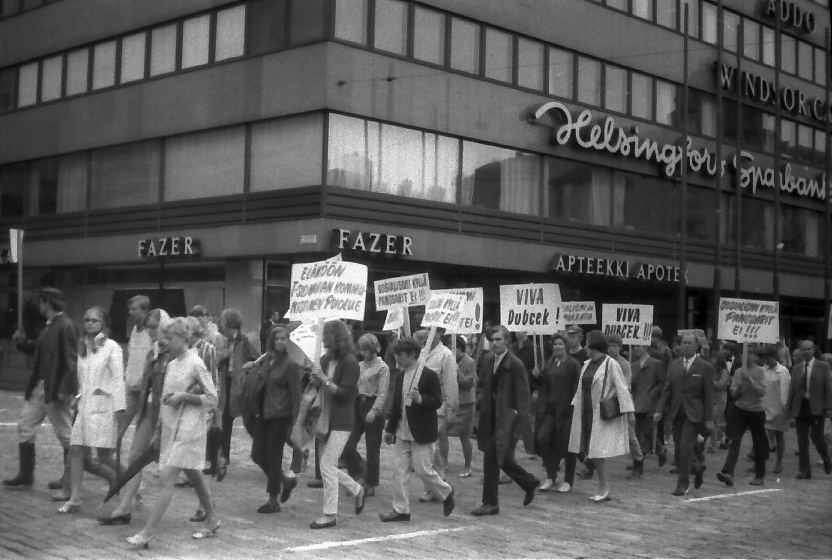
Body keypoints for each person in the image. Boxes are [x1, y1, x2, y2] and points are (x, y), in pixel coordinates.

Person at [126, 317, 220, 549]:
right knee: (193, 473)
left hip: (191, 428)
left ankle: (147, 533)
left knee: (167, 477)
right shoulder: (170, 364)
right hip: (172, 427)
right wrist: (159, 429)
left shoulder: (196, 362)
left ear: (184, 338)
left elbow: (212, 398)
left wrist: (184, 397)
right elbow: (164, 399)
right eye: (165, 337)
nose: (165, 342)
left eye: (170, 338)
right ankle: (213, 518)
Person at [98, 309, 170, 526]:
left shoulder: (174, 352)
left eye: (154, 327)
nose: (150, 331)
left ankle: (207, 506)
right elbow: (145, 385)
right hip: (148, 410)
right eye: (148, 327)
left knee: (182, 468)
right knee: (135, 459)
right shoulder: (153, 352)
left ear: (165, 326)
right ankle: (123, 508)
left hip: (169, 415)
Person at [3, 288, 78, 493]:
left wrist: (66, 389)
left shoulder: (65, 326)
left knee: (66, 435)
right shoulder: (51, 326)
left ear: (48, 303)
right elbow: (40, 352)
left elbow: (71, 360)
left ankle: (69, 477)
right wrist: (23, 343)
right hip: (40, 385)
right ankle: (26, 475)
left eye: (41, 302)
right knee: (25, 425)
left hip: (54, 388)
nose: (39, 305)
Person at [58, 306, 126, 513]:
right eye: (87, 319)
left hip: (104, 407)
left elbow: (117, 379)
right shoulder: (82, 347)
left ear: (104, 324)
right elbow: (81, 378)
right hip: (84, 406)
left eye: (95, 320)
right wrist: (76, 396)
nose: (89, 323)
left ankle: (134, 483)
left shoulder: (112, 347)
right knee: (76, 450)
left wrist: (120, 408)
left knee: (105, 456)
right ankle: (75, 498)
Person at [379, 338, 455, 522]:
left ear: (411, 355)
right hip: (401, 431)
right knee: (399, 472)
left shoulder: (427, 374)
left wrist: (421, 399)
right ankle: (401, 509)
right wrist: (390, 429)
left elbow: (437, 401)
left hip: (421, 431)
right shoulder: (400, 375)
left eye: (400, 355)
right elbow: (397, 405)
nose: (396, 358)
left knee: (423, 470)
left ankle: (446, 492)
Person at [471, 325, 539, 516]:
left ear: (507, 341)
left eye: (498, 339)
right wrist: (481, 399)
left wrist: (518, 422)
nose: (494, 343)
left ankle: (490, 502)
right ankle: (529, 481)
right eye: (492, 340)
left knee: (491, 458)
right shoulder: (487, 359)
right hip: (489, 416)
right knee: (504, 459)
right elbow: (483, 385)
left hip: (507, 419)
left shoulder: (515, 364)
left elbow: (523, 397)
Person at [308, 320, 365, 529]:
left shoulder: (350, 362)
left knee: (326, 465)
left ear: (335, 338)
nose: (322, 340)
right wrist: (314, 379)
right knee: (327, 466)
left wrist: (325, 381)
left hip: (341, 420)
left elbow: (346, 394)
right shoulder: (325, 359)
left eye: (326, 336)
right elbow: (318, 385)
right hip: (324, 418)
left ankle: (330, 514)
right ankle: (357, 489)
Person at [566, 331, 634, 502]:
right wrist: (574, 406)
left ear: (594, 346)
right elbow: (581, 388)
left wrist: (629, 412)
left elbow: (622, 387)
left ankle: (603, 487)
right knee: (591, 450)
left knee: (598, 451)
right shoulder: (587, 364)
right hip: (585, 412)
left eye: (588, 343)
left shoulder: (611, 364)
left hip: (600, 414)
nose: (586, 347)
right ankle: (602, 486)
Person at [246, 325, 302, 513]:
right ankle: (285, 481)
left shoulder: (291, 365)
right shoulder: (267, 360)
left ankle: (273, 500)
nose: (280, 341)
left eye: (284, 339)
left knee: (273, 457)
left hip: (280, 416)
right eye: (277, 338)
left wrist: (294, 424)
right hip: (262, 414)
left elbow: (296, 397)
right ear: (271, 340)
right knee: (257, 454)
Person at [655, 332, 714, 497]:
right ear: (679, 346)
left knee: (686, 447)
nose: (686, 345)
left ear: (696, 346)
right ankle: (697, 467)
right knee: (680, 448)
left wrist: (709, 418)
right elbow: (667, 390)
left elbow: (709, 394)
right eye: (684, 343)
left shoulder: (705, 367)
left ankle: (682, 484)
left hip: (694, 414)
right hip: (676, 412)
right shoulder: (674, 366)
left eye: (690, 343)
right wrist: (660, 410)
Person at [341, 333, 390, 497]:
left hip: (372, 404)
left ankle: (371, 482)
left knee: (372, 449)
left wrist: (375, 410)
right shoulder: (359, 365)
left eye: (366, 349)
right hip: (356, 404)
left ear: (374, 349)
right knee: (347, 445)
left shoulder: (382, 367)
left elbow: (383, 393)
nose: (363, 353)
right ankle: (358, 471)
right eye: (362, 349)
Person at [533, 333, 581, 492]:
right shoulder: (550, 362)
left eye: (560, 344)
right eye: (555, 344)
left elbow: (577, 389)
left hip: (567, 411)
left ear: (565, 345)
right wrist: (537, 376)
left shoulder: (573, 365)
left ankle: (568, 480)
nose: (557, 347)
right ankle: (551, 476)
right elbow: (544, 384)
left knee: (568, 445)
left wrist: (574, 410)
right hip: (550, 410)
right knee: (542, 438)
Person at [185, 315, 222, 521]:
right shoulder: (183, 352)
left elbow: (212, 381)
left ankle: (205, 505)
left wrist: (214, 411)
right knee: (193, 461)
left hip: (202, 408)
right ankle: (206, 503)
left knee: (199, 460)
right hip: (188, 408)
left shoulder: (207, 349)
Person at [716, 346, 768, 487]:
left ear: (755, 356)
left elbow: (762, 392)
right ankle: (728, 472)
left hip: (756, 411)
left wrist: (750, 380)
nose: (748, 356)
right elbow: (733, 395)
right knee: (735, 440)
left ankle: (759, 475)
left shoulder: (760, 371)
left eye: (751, 353)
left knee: (758, 444)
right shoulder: (738, 372)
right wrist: (739, 387)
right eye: (745, 353)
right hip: (740, 410)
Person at [413, 328, 458, 484]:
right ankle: (439, 478)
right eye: (426, 328)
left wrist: (452, 409)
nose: (427, 332)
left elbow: (450, 384)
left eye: (432, 330)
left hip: (438, 406)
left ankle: (437, 481)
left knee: (431, 445)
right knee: (430, 446)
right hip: (419, 404)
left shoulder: (446, 355)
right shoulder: (421, 352)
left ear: (440, 333)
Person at [218, 308, 259, 472]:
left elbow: (257, 360)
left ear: (229, 323)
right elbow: (222, 363)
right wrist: (222, 357)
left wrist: (246, 370)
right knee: (225, 420)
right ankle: (223, 459)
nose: (220, 324)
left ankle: (263, 449)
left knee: (249, 422)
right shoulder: (226, 341)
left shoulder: (244, 341)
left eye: (222, 321)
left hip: (241, 386)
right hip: (227, 385)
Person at [785, 339, 832, 479]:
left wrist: (829, 408)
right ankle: (804, 470)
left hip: (817, 407)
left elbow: (828, 389)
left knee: (817, 437)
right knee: (801, 439)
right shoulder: (796, 368)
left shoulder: (823, 367)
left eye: (809, 349)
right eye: (803, 350)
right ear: (800, 351)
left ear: (813, 350)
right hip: (801, 407)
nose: (806, 352)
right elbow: (792, 390)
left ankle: (827, 458)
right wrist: (788, 409)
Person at [607, 334, 644, 478]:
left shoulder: (624, 364)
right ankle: (590, 465)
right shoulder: (604, 362)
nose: (611, 349)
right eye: (609, 346)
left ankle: (639, 461)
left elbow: (625, 387)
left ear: (620, 348)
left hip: (622, 403)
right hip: (607, 402)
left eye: (614, 346)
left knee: (630, 435)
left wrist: (629, 410)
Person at [629, 343, 667, 472]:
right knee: (636, 433)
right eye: (635, 346)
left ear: (645, 347)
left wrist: (653, 394)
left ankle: (659, 451)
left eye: (638, 346)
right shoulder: (634, 365)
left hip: (648, 401)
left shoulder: (656, 364)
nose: (636, 348)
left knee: (646, 430)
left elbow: (662, 382)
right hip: (636, 401)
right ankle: (638, 460)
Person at [120, 295, 152, 438]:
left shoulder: (152, 331)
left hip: (146, 389)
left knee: (143, 429)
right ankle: (111, 458)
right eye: (130, 309)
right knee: (119, 425)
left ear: (144, 310)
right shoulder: (134, 329)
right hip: (131, 387)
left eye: (134, 309)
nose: (130, 312)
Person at [761, 345, 790, 474]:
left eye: (766, 357)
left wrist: (786, 408)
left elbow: (786, 389)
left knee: (779, 435)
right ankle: (759, 461)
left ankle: (779, 462)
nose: (764, 359)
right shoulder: (762, 370)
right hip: (764, 407)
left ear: (773, 356)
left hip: (779, 408)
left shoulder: (783, 371)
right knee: (760, 436)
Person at [454, 336, 477, 478]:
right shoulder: (447, 359)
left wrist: (456, 371)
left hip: (465, 404)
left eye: (454, 348)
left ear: (460, 348)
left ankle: (468, 466)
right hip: (450, 401)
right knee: (441, 432)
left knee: (464, 436)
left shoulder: (469, 362)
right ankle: (442, 463)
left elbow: (468, 384)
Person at [707, 352, 730, 453]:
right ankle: (722, 438)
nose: (712, 363)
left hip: (721, 400)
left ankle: (713, 444)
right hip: (712, 400)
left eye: (714, 362)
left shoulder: (724, 372)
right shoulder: (712, 371)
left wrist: (709, 380)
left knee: (711, 421)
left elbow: (720, 385)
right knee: (714, 423)